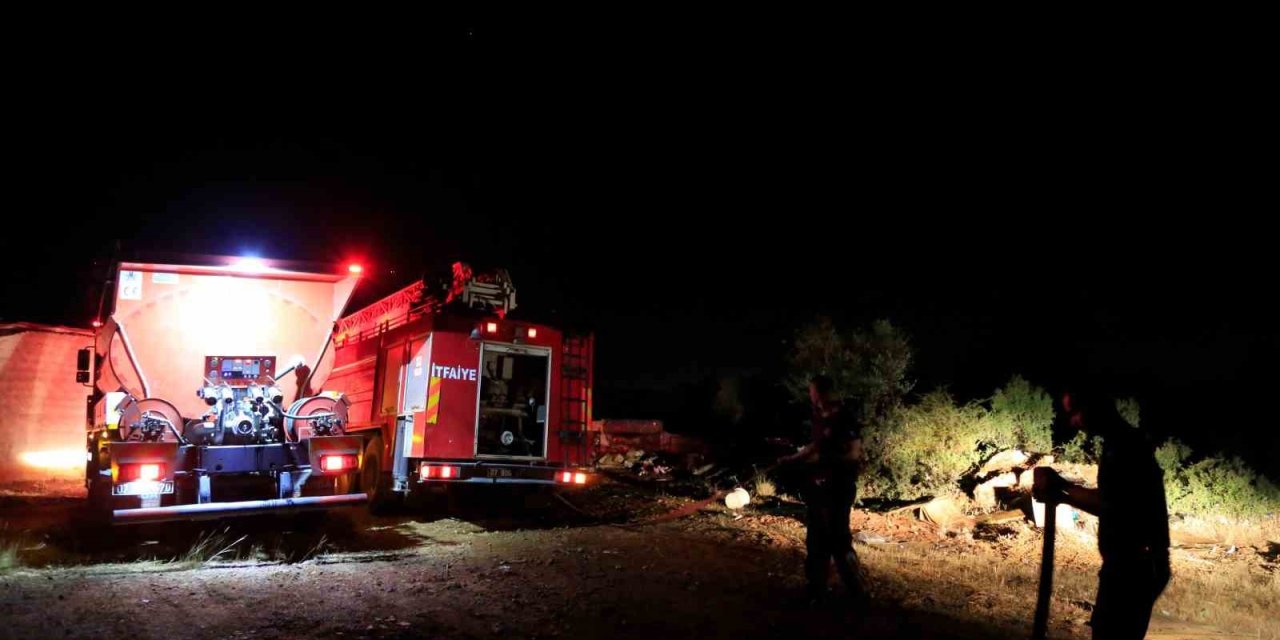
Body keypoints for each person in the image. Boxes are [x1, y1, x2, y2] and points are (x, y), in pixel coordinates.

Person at [1034, 388, 1171, 639]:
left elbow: (1113, 503)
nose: (1073, 421)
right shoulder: (1118, 444)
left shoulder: (1126, 446)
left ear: (1093, 408)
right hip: (1127, 565)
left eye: (1074, 412)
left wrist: (1062, 486)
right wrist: (1062, 497)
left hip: (1134, 568)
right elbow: (1114, 509)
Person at [777, 374, 867, 605]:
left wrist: (823, 461)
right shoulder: (820, 417)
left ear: (822, 393)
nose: (811, 395)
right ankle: (816, 589)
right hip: (817, 488)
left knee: (838, 540)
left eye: (813, 391)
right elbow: (815, 446)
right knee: (816, 539)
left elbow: (853, 453)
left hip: (838, 487)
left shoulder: (845, 417)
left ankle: (857, 591)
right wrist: (791, 459)